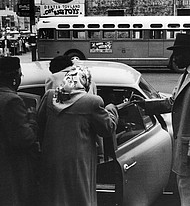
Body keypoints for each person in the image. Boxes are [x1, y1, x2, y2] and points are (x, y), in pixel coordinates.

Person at [37, 65, 118, 206]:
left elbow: (40, 124)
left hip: (51, 160)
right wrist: (112, 109)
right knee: (78, 197)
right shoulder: (92, 102)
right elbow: (107, 128)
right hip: (78, 163)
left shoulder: (49, 96)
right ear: (85, 83)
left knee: (54, 197)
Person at [132, 33, 190, 206]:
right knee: (184, 188)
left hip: (188, 150)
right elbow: (172, 102)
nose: (174, 58)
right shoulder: (184, 75)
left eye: (179, 53)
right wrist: (146, 105)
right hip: (184, 149)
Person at [0, 56, 39, 206]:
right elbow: (24, 138)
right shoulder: (12, 101)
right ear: (14, 78)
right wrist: (32, 119)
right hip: (10, 168)